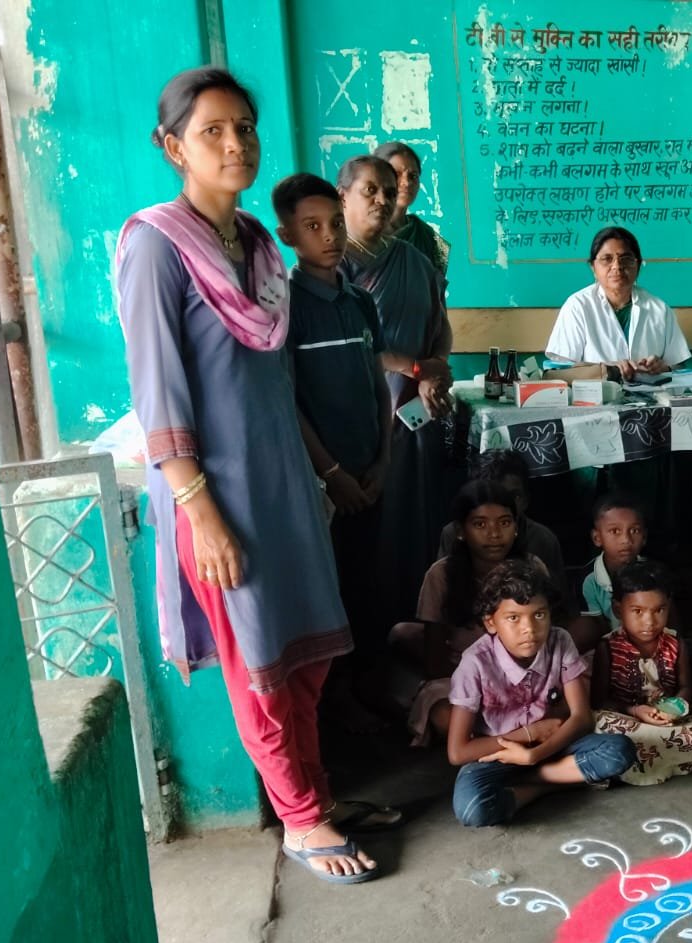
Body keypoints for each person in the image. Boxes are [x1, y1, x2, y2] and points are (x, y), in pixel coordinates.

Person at [116, 67, 392, 884]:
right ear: (172, 147)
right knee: (259, 661)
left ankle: (316, 795)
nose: (235, 144)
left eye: (245, 127)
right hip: (220, 497)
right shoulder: (156, 247)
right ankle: (302, 823)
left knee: (306, 657)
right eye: (212, 131)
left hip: (285, 488)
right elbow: (156, 390)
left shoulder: (258, 246)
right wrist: (200, 512)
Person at [272, 171, 394, 733]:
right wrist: (334, 473)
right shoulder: (286, 309)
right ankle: (335, 709)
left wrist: (382, 461)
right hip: (325, 486)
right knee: (330, 595)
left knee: (372, 589)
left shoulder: (359, 302)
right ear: (287, 236)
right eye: (312, 226)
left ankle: (372, 695)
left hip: (370, 474)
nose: (329, 235)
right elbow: (289, 403)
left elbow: (378, 388)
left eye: (335, 223)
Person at [337, 154, 456, 621]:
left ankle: (418, 620)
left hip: (414, 415)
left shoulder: (413, 258)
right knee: (365, 532)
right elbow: (355, 348)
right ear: (342, 196)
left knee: (414, 520)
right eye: (371, 190)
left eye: (390, 191)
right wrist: (418, 369)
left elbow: (440, 324)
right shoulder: (332, 266)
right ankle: (370, 636)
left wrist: (437, 368)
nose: (383, 200)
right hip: (358, 418)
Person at [446, 561, 637, 827]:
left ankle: (533, 780)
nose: (529, 629)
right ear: (491, 623)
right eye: (513, 618)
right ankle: (554, 783)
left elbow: (582, 717)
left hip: (554, 745)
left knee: (619, 751)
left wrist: (535, 754)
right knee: (472, 809)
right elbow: (458, 752)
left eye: (539, 615)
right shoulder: (474, 663)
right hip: (500, 755)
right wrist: (529, 735)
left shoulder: (560, 641)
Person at [396, 482, 546, 746]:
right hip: (463, 675)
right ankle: (520, 734)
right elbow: (435, 662)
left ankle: (500, 736)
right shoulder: (441, 575)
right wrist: (479, 684)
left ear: (516, 528)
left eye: (504, 522)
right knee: (446, 717)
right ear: (461, 531)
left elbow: (546, 635)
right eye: (480, 524)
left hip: (526, 672)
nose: (494, 534)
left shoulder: (532, 567)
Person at [591, 562, 692, 784]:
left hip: (671, 719)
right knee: (604, 725)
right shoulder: (607, 648)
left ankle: (651, 762)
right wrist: (634, 710)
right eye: (638, 612)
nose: (650, 622)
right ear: (618, 609)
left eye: (659, 610)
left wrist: (675, 708)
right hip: (629, 720)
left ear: (669, 607)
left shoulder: (675, 642)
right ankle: (669, 758)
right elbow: (599, 700)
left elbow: (686, 686)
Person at [546, 226, 689, 378]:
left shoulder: (659, 308)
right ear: (593, 267)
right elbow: (560, 370)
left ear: (638, 266)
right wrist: (604, 369)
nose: (617, 266)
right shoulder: (577, 306)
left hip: (654, 398)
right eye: (607, 259)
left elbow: (678, 365)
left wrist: (664, 367)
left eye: (626, 259)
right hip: (596, 398)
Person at [438, 449, 568, 587]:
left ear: (526, 500)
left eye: (514, 496)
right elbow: (443, 593)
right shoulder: (454, 534)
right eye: (492, 498)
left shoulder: (543, 539)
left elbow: (557, 602)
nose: (505, 506)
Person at [372, 140, 449, 276]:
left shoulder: (428, 237)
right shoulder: (359, 235)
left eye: (413, 176)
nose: (407, 182)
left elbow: (437, 292)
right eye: (396, 174)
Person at [580, 494, 647, 630]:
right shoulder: (590, 579)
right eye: (615, 531)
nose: (626, 540)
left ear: (644, 537)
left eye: (634, 530)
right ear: (597, 538)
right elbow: (595, 626)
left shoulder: (652, 573)